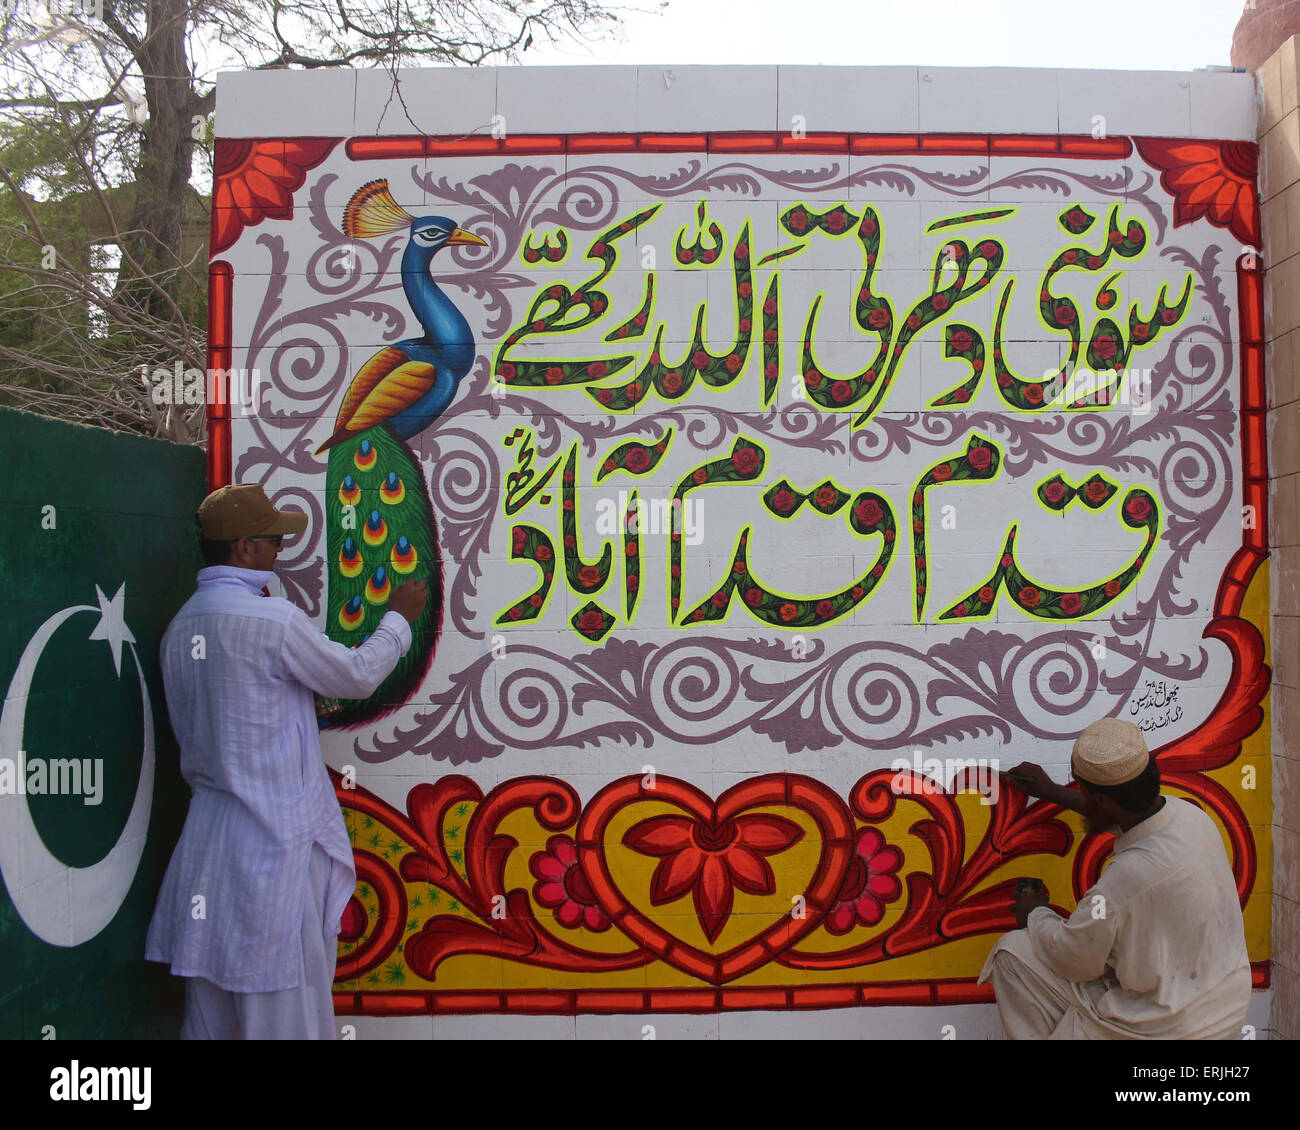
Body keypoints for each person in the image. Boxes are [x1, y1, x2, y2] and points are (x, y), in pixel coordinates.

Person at [145, 483, 427, 1039]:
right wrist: (398, 620)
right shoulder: (269, 622)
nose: (280, 551)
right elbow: (353, 674)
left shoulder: (181, 628)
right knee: (284, 1014)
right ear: (244, 548)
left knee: (211, 1018)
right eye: (273, 541)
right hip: (272, 853)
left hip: (207, 850)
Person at [979, 717, 1251, 1040]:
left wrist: (1034, 915)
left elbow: (1074, 959)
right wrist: (1052, 792)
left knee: (1012, 952)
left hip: (1164, 1028)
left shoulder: (1120, 884)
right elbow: (1120, 815)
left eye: (1084, 789)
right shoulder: (1191, 817)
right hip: (1225, 1007)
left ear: (1104, 802)